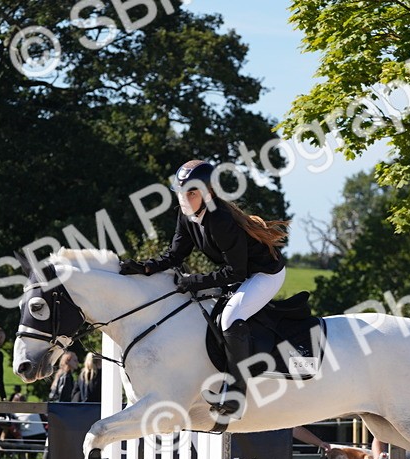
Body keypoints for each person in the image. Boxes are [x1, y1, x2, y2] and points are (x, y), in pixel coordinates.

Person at [118, 159, 290, 418]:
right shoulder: (186, 216)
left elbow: (237, 272)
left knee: (231, 317)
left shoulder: (220, 219)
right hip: (240, 273)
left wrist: (195, 281)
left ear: (208, 194)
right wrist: (144, 268)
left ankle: (235, 393)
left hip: (264, 274)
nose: (184, 199)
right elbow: (174, 256)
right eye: (180, 192)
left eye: (192, 193)